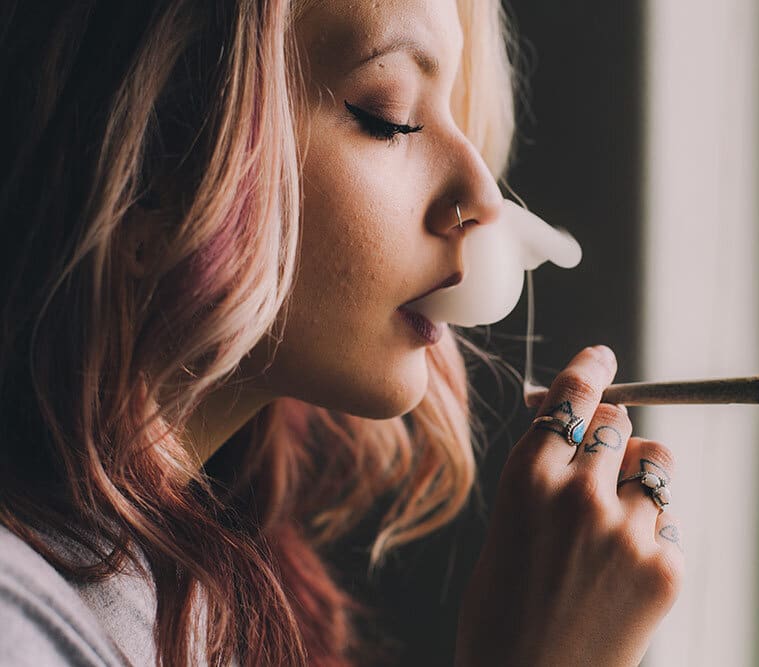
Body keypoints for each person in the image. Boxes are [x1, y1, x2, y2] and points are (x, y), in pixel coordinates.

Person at [0, 0, 684, 664]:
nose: (483, 196)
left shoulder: (177, 595)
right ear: (146, 168)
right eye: (388, 116)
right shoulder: (19, 622)